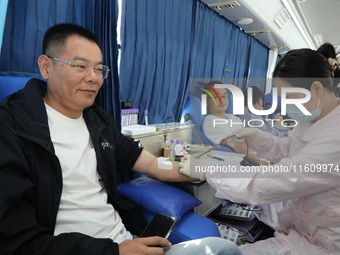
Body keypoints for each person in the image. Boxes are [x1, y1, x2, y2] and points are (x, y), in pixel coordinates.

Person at [0, 24, 242, 255]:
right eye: (80, 66)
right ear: (46, 67)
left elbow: (154, 165)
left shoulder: (98, 122)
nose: (93, 78)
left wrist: (206, 168)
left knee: (222, 249)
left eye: (99, 68)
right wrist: (115, 251)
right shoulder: (12, 129)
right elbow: (19, 243)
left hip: (128, 242)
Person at [204, 48, 340, 254]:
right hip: (300, 229)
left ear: (317, 89)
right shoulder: (311, 119)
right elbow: (288, 149)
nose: (285, 104)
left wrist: (211, 173)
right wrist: (258, 137)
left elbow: (285, 177)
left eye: (290, 97)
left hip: (325, 241)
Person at [201, 81, 244, 145]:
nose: (222, 100)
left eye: (225, 96)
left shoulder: (235, 118)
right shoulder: (211, 122)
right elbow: (235, 144)